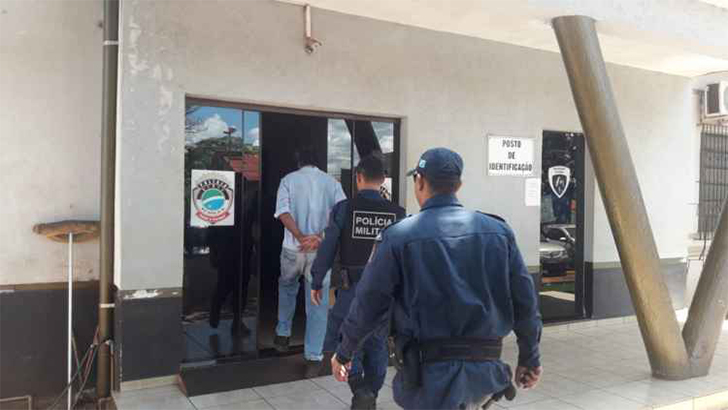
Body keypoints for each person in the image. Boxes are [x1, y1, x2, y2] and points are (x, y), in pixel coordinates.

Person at [330, 148, 543, 409]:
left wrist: (344, 353)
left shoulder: (398, 237)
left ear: (419, 181)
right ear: (458, 185)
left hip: (427, 379)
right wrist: (530, 358)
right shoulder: (499, 232)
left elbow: (369, 303)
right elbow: (525, 303)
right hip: (483, 377)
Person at [310, 154, 406, 409]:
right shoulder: (398, 213)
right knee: (377, 343)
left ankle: (360, 390)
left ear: (358, 178)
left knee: (349, 340)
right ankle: (370, 393)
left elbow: (328, 247)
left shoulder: (344, 209)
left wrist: (317, 281)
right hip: (385, 295)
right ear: (383, 179)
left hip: (352, 290)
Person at [273, 146, 346, 378]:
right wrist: (319, 237)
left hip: (292, 249)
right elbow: (342, 215)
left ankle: (283, 334)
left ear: (299, 162)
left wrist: (300, 237)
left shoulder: (288, 180)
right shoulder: (332, 183)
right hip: (319, 252)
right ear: (318, 162)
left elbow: (282, 212)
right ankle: (314, 354)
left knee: (287, 288)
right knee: (317, 301)